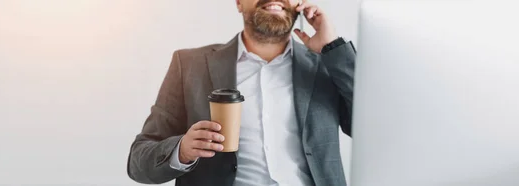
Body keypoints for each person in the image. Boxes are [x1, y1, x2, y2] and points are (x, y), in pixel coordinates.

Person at [126, 0, 355, 185]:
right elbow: (139, 162)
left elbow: (370, 129)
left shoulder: (328, 64)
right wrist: (182, 150)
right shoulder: (189, 65)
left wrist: (333, 48)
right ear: (238, 3)